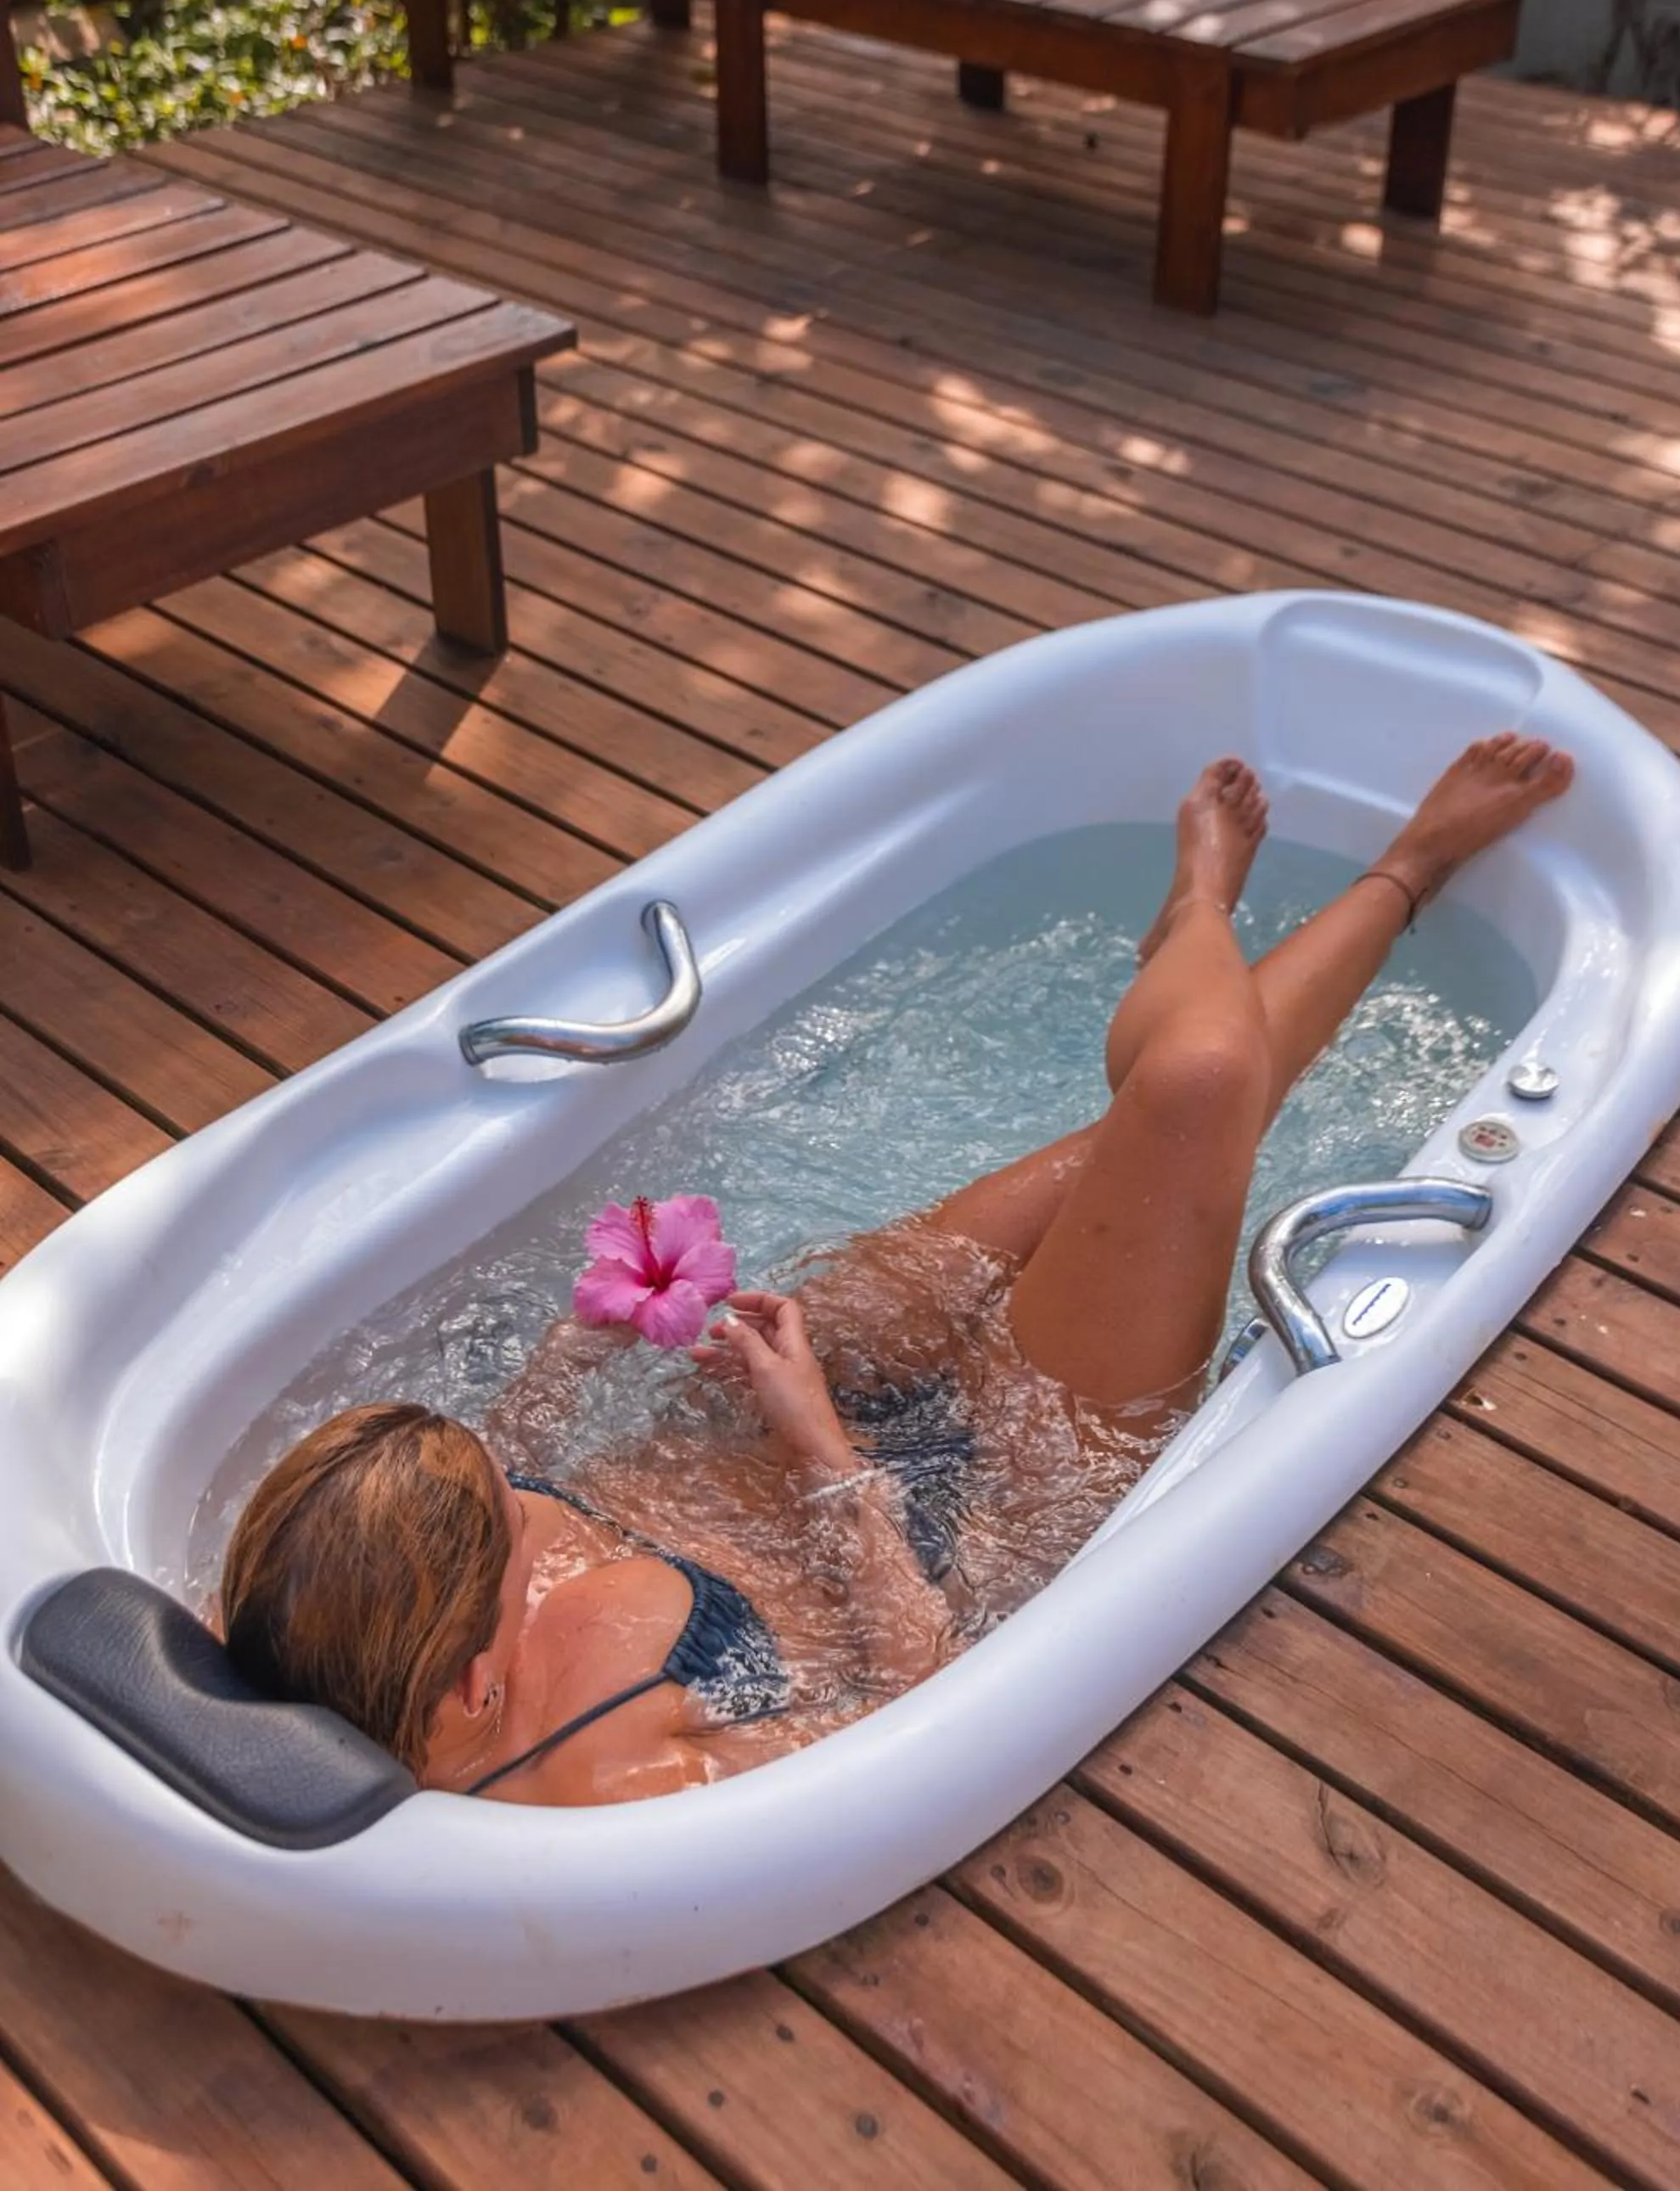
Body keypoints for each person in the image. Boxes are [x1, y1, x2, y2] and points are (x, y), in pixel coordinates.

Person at [221, 733, 1572, 1807]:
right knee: (1198, 1087)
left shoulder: (332, 1595)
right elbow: (919, 1704)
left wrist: (591, 1339)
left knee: (1147, 1130)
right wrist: (817, 1447)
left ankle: (1220, 931)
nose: (524, 1497)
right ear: (473, 1693)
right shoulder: (607, 1774)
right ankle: (1351, 887)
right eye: (518, 1531)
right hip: (995, 1492)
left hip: (780, 1392)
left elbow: (504, 1457)